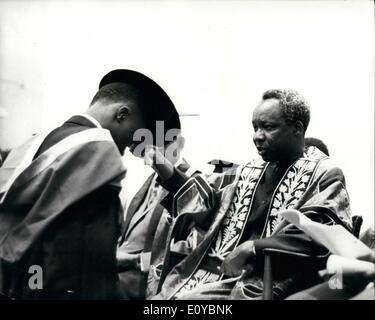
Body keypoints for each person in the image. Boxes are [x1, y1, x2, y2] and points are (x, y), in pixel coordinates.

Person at [145, 89, 353, 300]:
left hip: (270, 280)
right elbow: (206, 201)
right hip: (217, 274)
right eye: (255, 127)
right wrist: (161, 165)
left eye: (268, 127)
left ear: (297, 129)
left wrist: (254, 247)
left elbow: (323, 235)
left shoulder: (325, 174)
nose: (257, 136)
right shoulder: (248, 171)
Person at [0, 69, 179, 299]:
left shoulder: (32, 143)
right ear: (122, 114)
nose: (125, 149)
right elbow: (94, 266)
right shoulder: (98, 153)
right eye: (131, 137)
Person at [116, 133, 187, 300]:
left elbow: (183, 251)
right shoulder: (145, 180)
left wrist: (135, 260)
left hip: (144, 289)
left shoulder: (188, 182)